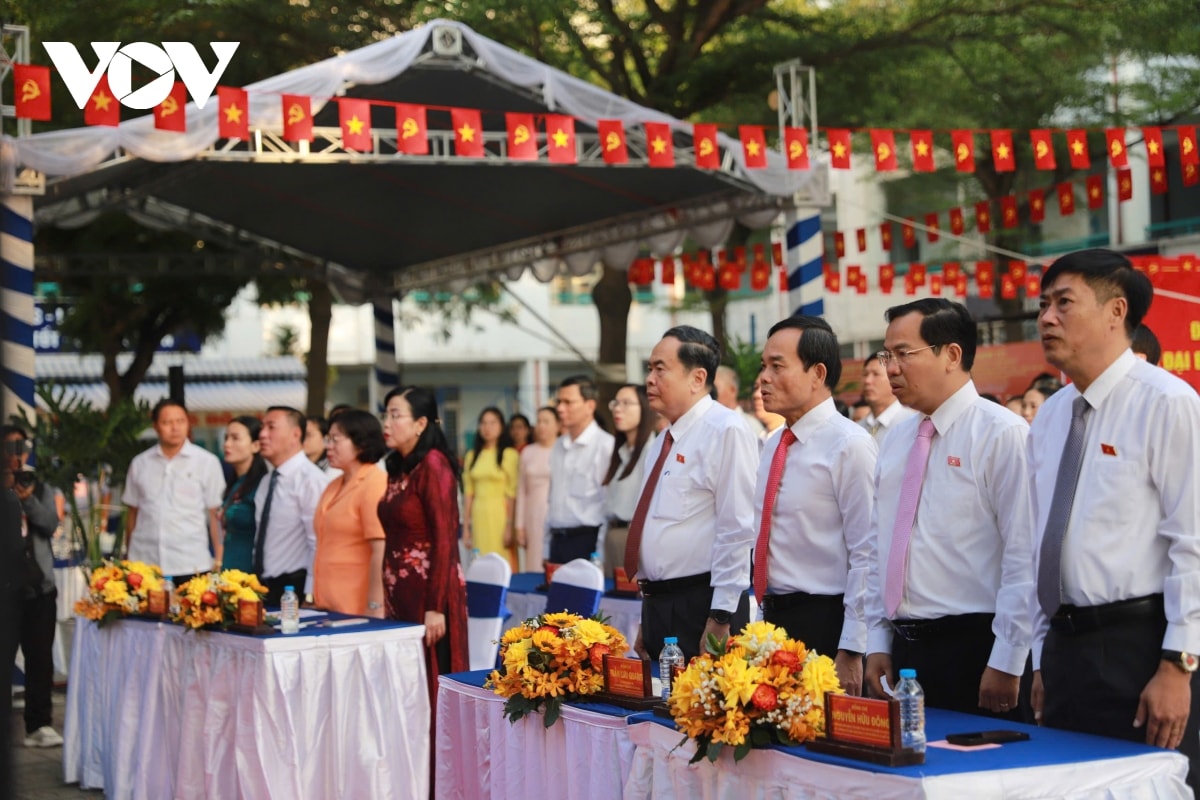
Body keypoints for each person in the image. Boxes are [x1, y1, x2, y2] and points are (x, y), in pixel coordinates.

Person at [1029, 249, 1200, 791]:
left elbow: (1193, 542)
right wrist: (1040, 658)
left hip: (1140, 648)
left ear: (1116, 311)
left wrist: (1177, 665)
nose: (1047, 318)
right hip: (1065, 648)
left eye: (1064, 303)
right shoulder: (1052, 415)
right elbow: (1039, 541)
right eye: (1043, 305)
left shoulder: (1167, 402)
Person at [864, 299, 1034, 718]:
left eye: (904, 353)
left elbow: (1024, 555)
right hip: (905, 649)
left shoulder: (1002, 434)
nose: (891, 368)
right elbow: (878, 548)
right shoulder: (896, 440)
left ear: (952, 355)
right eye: (887, 355)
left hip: (976, 645)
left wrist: (1008, 658)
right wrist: (878, 642)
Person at [753, 319, 877, 696]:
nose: (763, 378)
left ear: (817, 374)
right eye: (763, 366)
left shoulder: (850, 445)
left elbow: (868, 553)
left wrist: (852, 647)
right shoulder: (774, 444)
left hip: (826, 621)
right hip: (773, 623)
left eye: (777, 366)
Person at [626, 326, 757, 662]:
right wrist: (648, 612)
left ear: (697, 378)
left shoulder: (726, 430)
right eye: (649, 369)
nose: (649, 379)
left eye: (660, 369)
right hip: (660, 605)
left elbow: (738, 528)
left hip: (704, 606)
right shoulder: (662, 442)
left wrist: (722, 614)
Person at [377, 386, 469, 700]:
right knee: (403, 685)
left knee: (429, 683)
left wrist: (435, 607)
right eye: (385, 415)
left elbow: (445, 538)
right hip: (400, 593)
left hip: (430, 594)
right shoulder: (398, 466)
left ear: (420, 423)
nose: (386, 423)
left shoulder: (434, 465)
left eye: (395, 415)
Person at [2, 426, 63, 748]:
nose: (16, 455)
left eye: (20, 448)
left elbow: (51, 524)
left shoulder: (38, 485)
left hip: (40, 587)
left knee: (40, 659)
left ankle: (39, 725)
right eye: (9, 448)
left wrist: (27, 500)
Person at [123, 399, 225, 585]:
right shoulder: (140, 463)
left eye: (180, 421)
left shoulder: (206, 462)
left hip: (191, 562)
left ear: (188, 423)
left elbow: (215, 515)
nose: (175, 428)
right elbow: (132, 513)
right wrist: (128, 557)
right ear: (155, 426)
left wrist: (219, 559)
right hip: (145, 562)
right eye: (167, 422)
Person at [313, 410, 389, 616]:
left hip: (357, 605)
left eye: (335, 439)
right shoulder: (333, 485)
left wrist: (375, 605)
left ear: (361, 443)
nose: (328, 446)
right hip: (327, 603)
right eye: (328, 439)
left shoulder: (374, 483)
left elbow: (380, 550)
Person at [254, 406, 332, 605]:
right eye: (262, 427)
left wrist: (310, 593)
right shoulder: (266, 481)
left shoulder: (311, 480)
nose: (262, 434)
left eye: (271, 427)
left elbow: (318, 542)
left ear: (295, 434)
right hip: (263, 586)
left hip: (295, 587)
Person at [544, 376, 614, 565]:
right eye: (559, 402)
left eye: (568, 402)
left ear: (590, 406)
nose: (560, 408)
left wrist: (599, 556)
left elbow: (607, 505)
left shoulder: (605, 446)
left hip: (586, 541)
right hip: (557, 541)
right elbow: (552, 499)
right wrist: (546, 547)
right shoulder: (558, 446)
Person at [602, 384, 656, 579]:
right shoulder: (620, 452)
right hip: (613, 536)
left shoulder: (653, 451)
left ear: (645, 408)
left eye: (626, 403)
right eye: (616, 403)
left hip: (636, 539)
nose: (618, 409)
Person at [463, 407, 519, 571]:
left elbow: (512, 494)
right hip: (478, 514)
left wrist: (509, 525)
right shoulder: (472, 456)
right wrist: (466, 527)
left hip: (500, 514)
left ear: (501, 426)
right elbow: (468, 493)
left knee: (502, 562)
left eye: (493, 423)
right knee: (480, 561)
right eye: (484, 423)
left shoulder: (510, 454)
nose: (487, 428)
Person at [220, 416, 268, 573]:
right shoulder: (235, 483)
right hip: (230, 572)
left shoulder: (262, 486)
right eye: (226, 438)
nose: (227, 444)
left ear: (256, 446)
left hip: (251, 574)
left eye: (235, 438)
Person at [515, 406, 557, 572]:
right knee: (534, 561)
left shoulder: (562, 450)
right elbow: (521, 490)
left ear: (558, 425)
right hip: (531, 514)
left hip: (555, 512)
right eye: (539, 421)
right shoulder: (527, 452)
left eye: (546, 421)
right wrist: (519, 525)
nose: (541, 426)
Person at [858, 352, 916, 444]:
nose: (867, 381)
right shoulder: (858, 428)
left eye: (876, 374)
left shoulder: (912, 423)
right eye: (865, 374)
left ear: (894, 378)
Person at [715, 365, 767, 436]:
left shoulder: (750, 427)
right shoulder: (708, 423)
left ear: (732, 390)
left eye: (714, 389)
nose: (709, 394)